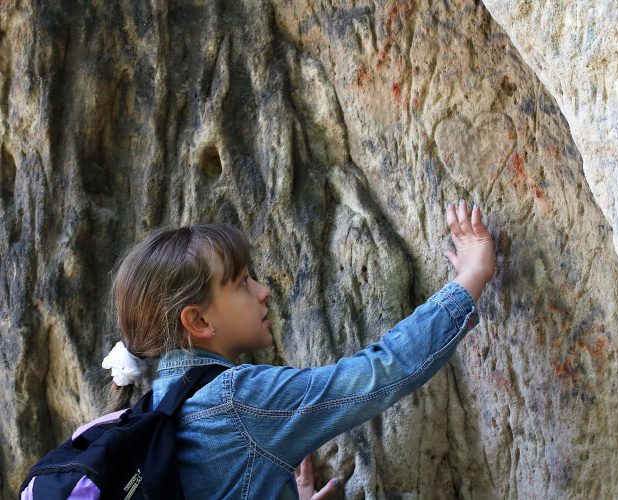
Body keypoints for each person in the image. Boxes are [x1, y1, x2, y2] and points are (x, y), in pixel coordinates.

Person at [102, 200, 495, 499]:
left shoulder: (152, 412)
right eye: (242, 283)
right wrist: (471, 277)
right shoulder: (238, 401)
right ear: (199, 322)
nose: (263, 291)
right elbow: (382, 371)